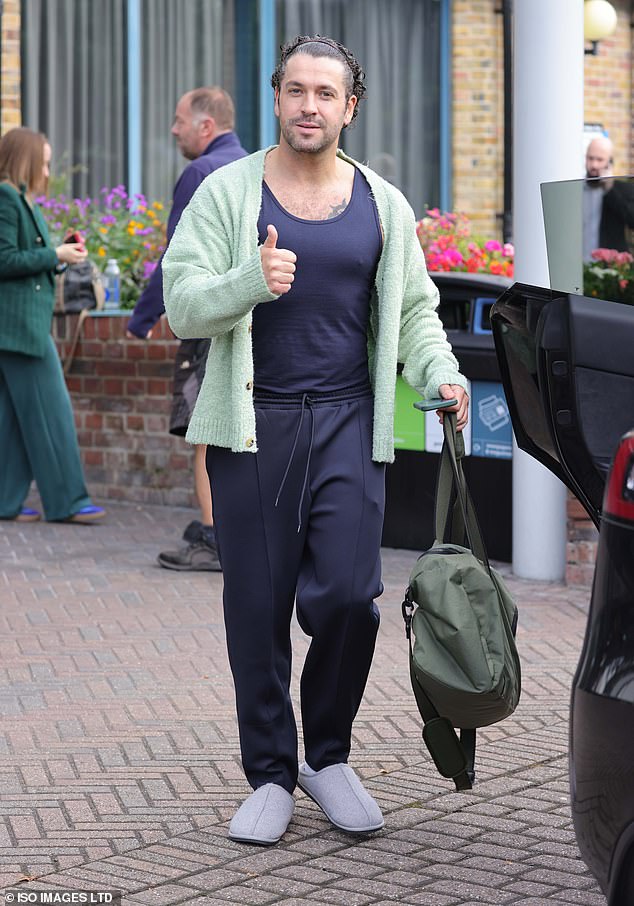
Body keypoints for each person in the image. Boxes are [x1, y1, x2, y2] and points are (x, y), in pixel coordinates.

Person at [162, 35, 469, 846]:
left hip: (346, 422)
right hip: (255, 423)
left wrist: (437, 370)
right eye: (295, 90)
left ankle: (325, 757)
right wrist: (247, 284)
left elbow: (413, 313)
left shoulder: (383, 204)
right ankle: (269, 772)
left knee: (346, 600)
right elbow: (183, 302)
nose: (308, 105)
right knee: (256, 606)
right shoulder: (227, 192)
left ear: (349, 107)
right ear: (276, 100)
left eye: (325, 93)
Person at [127, 87, 247, 571]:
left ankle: (217, 541)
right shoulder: (253, 165)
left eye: (179, 121)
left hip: (204, 319)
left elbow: (177, 260)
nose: (173, 130)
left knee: (206, 431)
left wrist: (142, 318)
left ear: (205, 126)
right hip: (244, 315)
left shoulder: (201, 171)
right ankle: (239, 535)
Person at [0, 127, 105, 525]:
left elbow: (28, 258)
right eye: (43, 160)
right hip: (19, 327)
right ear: (25, 159)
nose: (46, 168)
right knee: (52, 411)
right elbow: (5, 260)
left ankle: (5, 501)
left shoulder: (21, 201)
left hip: (21, 324)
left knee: (12, 417)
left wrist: (59, 256)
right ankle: (68, 501)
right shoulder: (7, 199)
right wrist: (53, 253)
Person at [583, 135, 634, 261]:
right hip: (577, 264)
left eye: (600, 160)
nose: (594, 165)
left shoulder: (622, 190)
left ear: (610, 163)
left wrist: (610, 190)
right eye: (590, 158)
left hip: (608, 269)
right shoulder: (576, 190)